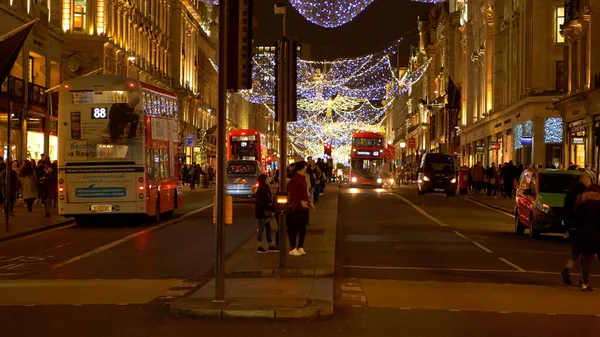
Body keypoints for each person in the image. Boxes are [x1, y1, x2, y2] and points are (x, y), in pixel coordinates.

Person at [571, 183, 600, 291]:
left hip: (584, 233)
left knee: (585, 259)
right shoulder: (598, 203)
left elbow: (576, 216)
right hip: (596, 234)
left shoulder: (582, 203)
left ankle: (584, 282)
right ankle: (584, 281)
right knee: (590, 258)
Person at [287, 161, 314, 256]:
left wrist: (310, 203)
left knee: (303, 227)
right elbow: (293, 194)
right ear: (303, 168)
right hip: (297, 207)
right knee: (295, 227)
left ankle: (301, 246)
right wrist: (300, 201)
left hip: (304, 207)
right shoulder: (295, 179)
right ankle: (292, 247)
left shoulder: (303, 179)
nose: (306, 168)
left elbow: (304, 193)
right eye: (305, 166)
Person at [254, 174, 278, 253]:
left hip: (265, 211)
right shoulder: (261, 190)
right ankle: (259, 246)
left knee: (268, 228)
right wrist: (270, 208)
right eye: (267, 178)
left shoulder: (265, 188)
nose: (268, 179)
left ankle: (270, 245)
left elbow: (268, 200)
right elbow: (263, 202)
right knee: (261, 228)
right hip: (262, 212)